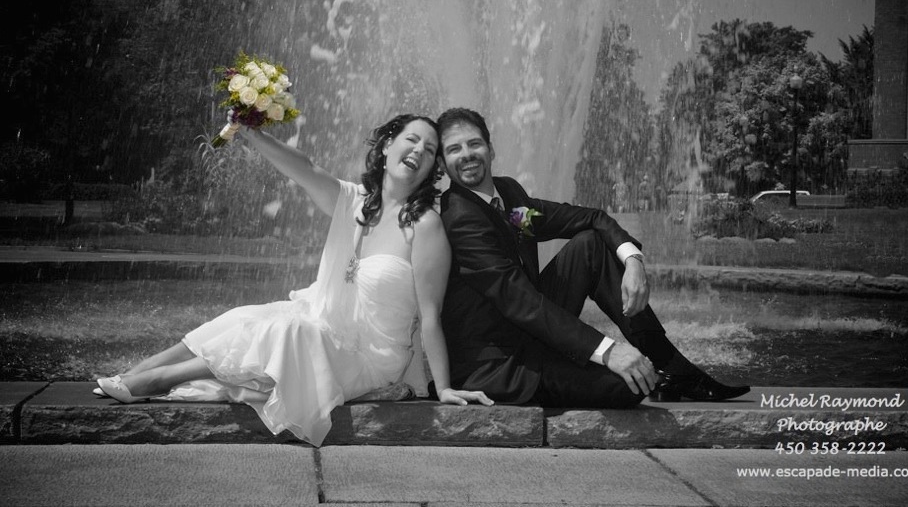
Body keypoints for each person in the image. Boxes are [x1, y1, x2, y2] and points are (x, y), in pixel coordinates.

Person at [96, 114, 492, 446]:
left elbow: (430, 315)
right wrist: (251, 131)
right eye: (412, 139)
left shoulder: (425, 226)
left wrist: (443, 387)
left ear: (432, 169)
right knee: (245, 317)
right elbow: (303, 168)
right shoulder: (352, 201)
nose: (419, 151)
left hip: (371, 357)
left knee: (290, 329)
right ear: (387, 146)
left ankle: (157, 380)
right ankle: (133, 374)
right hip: (323, 324)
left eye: (428, 149)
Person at [435, 107, 749, 408]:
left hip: (529, 334)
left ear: (490, 148)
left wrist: (633, 261)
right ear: (443, 163)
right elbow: (522, 302)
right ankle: (652, 374)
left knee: (591, 246)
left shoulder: (508, 197)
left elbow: (589, 218)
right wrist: (607, 351)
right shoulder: (460, 216)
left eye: (474, 143)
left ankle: (675, 369)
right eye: (454, 149)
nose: (466, 155)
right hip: (501, 362)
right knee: (630, 385)